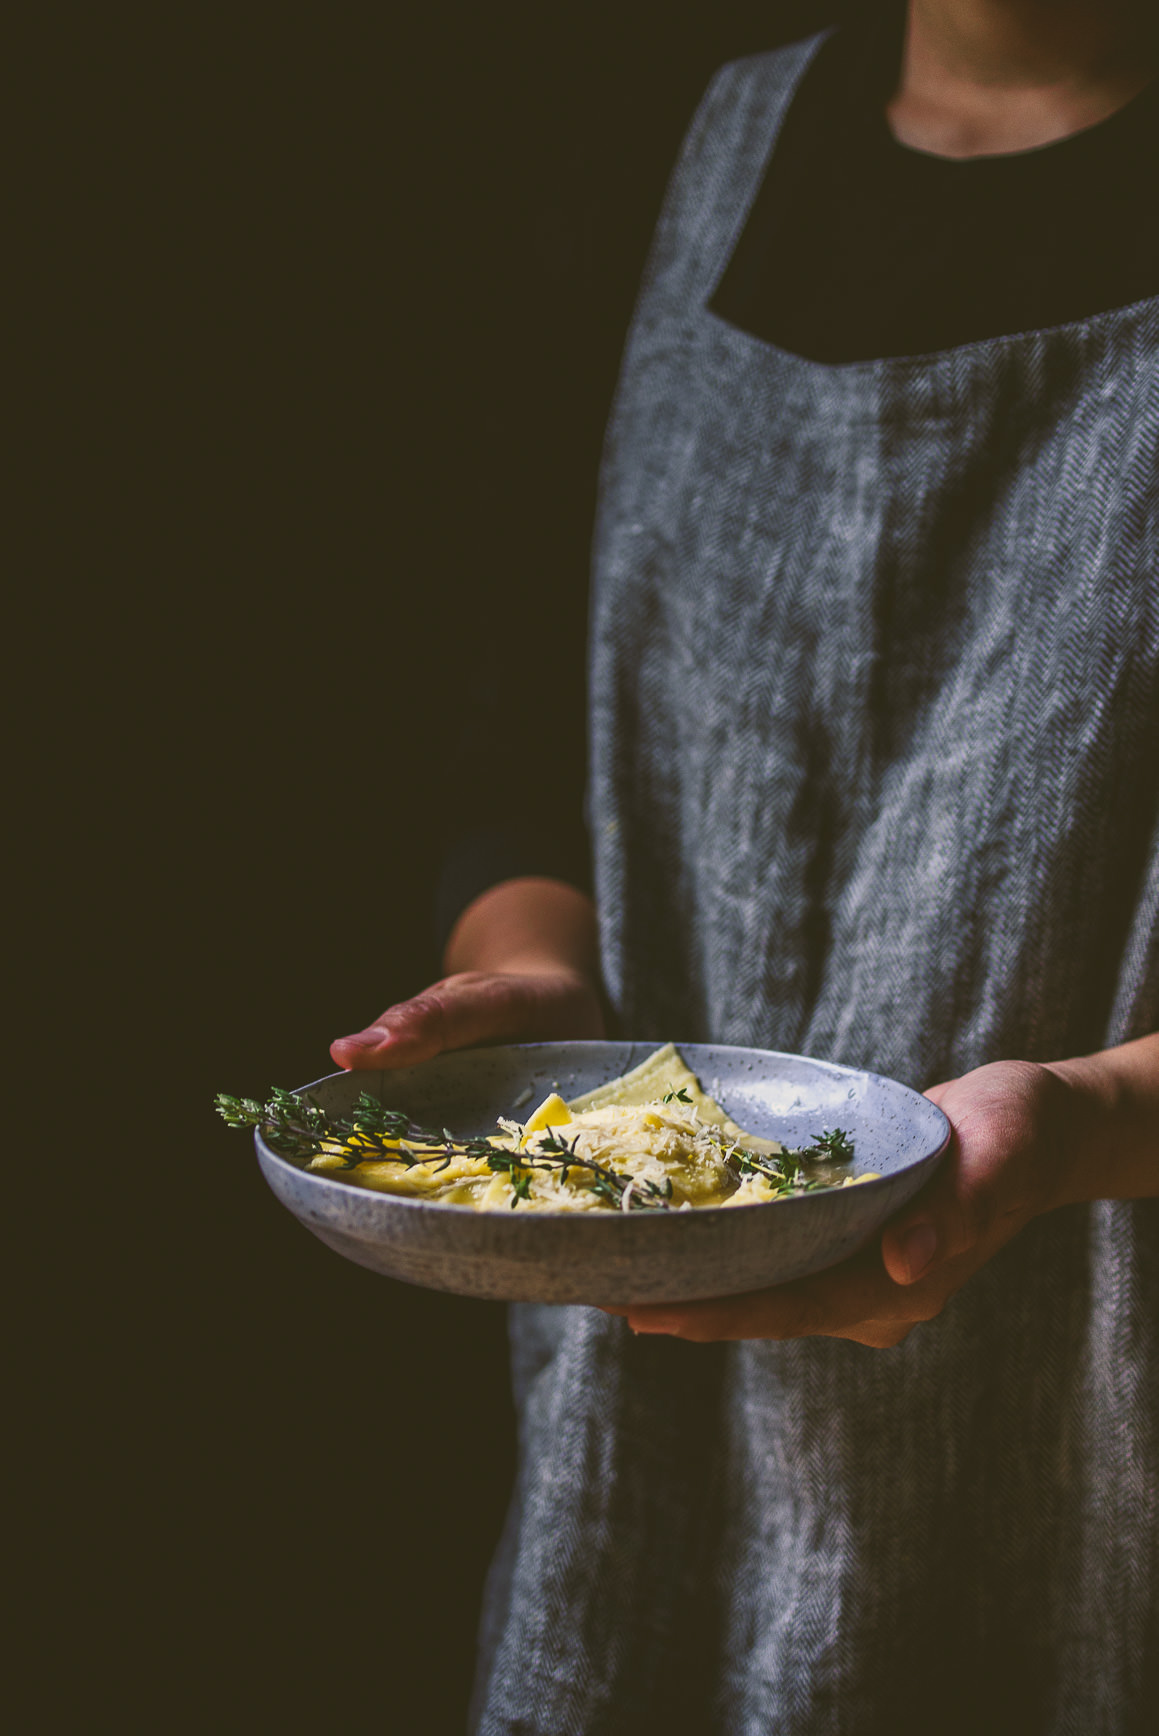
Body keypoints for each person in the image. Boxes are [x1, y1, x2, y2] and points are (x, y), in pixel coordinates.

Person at [334, 1, 1159, 1728]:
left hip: (1100, 1387)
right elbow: (520, 731)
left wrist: (1089, 1119)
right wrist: (543, 982)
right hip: (652, 1405)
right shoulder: (675, 148)